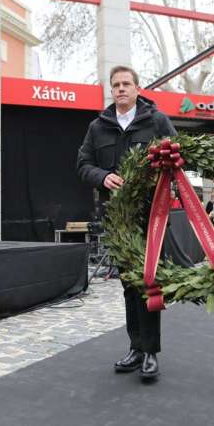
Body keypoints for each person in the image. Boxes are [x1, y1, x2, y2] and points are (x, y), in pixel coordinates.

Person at [77, 65, 176, 382]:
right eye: (115, 85)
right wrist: (103, 176)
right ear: (111, 89)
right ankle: (135, 347)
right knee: (129, 285)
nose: (120, 89)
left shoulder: (156, 120)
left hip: (151, 215)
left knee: (149, 283)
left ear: (136, 88)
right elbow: (83, 164)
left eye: (126, 84)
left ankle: (150, 353)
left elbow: (177, 156)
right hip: (117, 218)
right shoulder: (98, 126)